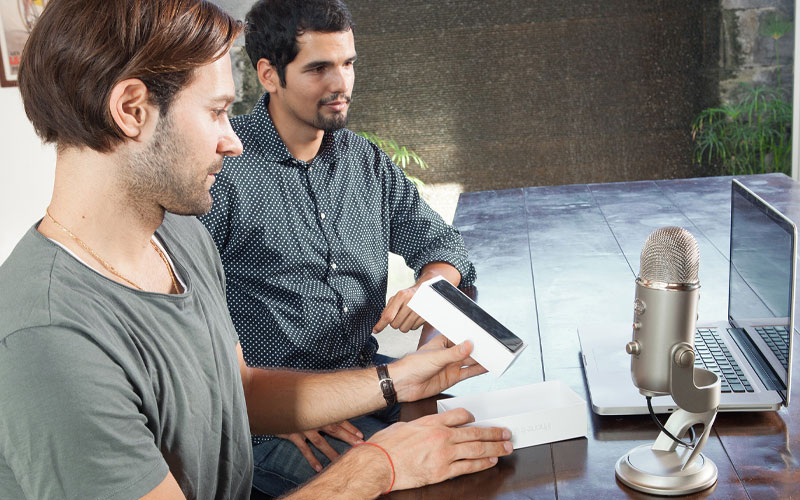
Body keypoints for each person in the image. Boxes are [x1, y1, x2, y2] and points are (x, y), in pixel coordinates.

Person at [0, 1, 513, 499]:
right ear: (132, 110)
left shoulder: (177, 238)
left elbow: (240, 390)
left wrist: (396, 379)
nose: (234, 142)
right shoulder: (49, 338)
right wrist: (377, 465)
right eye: (217, 111)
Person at [198, 1, 477, 493]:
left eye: (348, 63)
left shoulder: (364, 160)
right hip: (275, 424)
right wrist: (269, 410)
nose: (341, 83)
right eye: (318, 68)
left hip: (371, 385)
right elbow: (184, 320)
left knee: (492, 455)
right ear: (269, 75)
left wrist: (431, 286)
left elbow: (443, 244)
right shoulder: (219, 167)